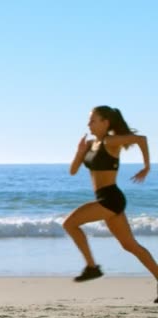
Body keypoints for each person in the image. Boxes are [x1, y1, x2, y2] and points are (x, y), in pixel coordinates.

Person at [64, 105, 158, 302]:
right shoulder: (90, 145)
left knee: (70, 223)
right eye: (89, 121)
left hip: (111, 199)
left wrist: (147, 167)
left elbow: (141, 139)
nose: (89, 124)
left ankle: (92, 267)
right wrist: (79, 151)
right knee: (130, 245)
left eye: (93, 120)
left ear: (105, 123)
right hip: (105, 199)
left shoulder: (110, 141)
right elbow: (73, 171)